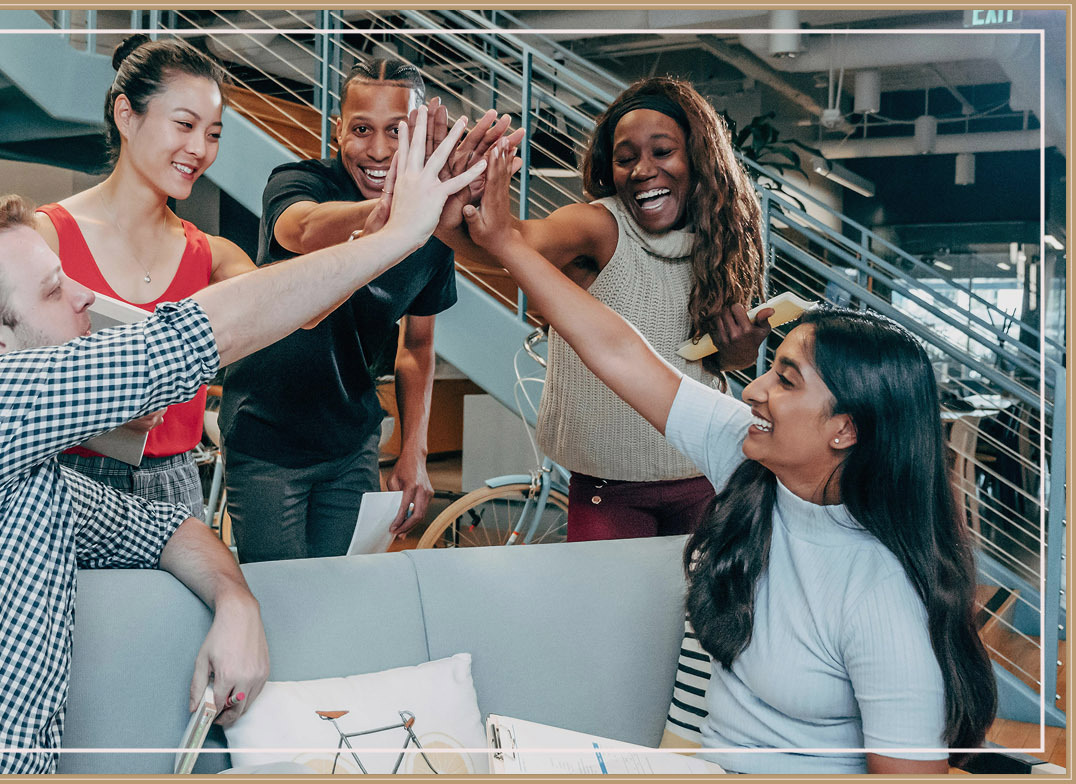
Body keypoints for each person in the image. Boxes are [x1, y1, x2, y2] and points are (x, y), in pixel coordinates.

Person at [0, 112, 485, 775]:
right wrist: (398, 236)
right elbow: (194, 337)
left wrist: (237, 601)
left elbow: (167, 528)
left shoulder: (23, 477)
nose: (87, 299)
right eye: (57, 289)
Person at [461, 141, 997, 774]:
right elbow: (619, 350)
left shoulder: (883, 595)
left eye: (787, 381)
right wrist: (505, 244)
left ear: (846, 430)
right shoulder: (750, 460)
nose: (753, 388)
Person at [439, 76, 771, 543]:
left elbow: (714, 365)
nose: (642, 170)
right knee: (607, 615)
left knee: (699, 616)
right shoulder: (597, 226)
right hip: (608, 488)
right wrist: (456, 201)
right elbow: (510, 243)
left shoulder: (719, 243)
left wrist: (741, 350)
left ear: (699, 159)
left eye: (662, 152)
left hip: (705, 475)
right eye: (626, 158)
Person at [217, 59, 516, 562]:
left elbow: (417, 348)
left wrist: (414, 452)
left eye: (397, 132)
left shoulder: (433, 229)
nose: (377, 151)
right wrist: (397, 215)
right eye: (361, 129)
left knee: (341, 596)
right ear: (338, 131)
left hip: (352, 444)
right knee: (280, 601)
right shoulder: (297, 181)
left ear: (422, 134)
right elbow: (304, 229)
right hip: (267, 439)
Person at [34, 36, 256, 515]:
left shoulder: (212, 256)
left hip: (177, 485)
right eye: (184, 125)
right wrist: (106, 409)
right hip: (66, 482)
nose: (198, 149)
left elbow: (295, 314)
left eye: (214, 134)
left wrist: (375, 240)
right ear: (126, 115)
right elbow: (0, 380)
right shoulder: (44, 237)